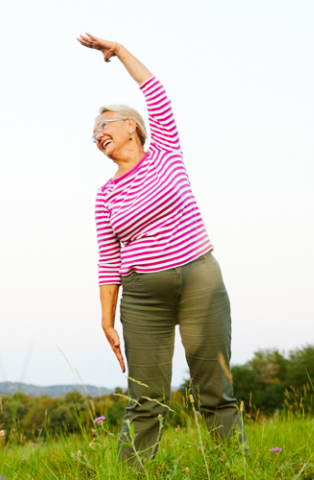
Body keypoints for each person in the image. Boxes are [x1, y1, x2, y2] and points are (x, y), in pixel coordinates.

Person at [77, 33, 247, 464]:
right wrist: (106, 318)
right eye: (92, 134)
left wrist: (119, 53)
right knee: (146, 398)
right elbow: (108, 259)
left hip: (199, 281)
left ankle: (235, 469)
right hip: (143, 297)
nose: (97, 135)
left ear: (131, 125)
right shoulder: (105, 195)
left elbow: (155, 90)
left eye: (104, 125)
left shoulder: (166, 151)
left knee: (215, 389)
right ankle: (133, 473)